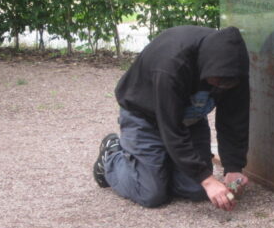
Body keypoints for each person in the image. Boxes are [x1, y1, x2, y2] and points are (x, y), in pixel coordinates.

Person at [92, 25, 250, 211]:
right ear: (206, 66)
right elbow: (171, 129)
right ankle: (111, 157)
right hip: (145, 117)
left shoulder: (234, 70)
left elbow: (234, 121)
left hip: (190, 119)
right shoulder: (171, 66)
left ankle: (159, 166)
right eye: (217, 81)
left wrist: (233, 168)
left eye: (227, 83)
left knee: (196, 190)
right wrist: (207, 180)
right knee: (151, 193)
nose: (221, 86)